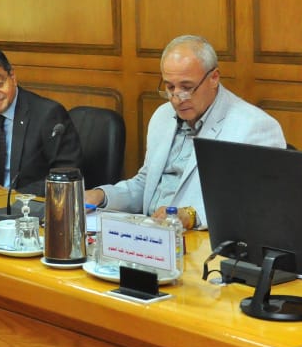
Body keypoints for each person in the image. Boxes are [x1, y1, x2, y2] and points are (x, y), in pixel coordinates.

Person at [84, 35, 286, 230]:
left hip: (200, 241)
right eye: (170, 87)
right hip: (151, 234)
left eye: (187, 87)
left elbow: (258, 207)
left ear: (214, 78)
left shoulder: (254, 127)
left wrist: (191, 216)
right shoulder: (163, 115)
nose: (177, 98)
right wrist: (102, 196)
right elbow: (146, 185)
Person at [0, 47, 81, 195]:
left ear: (13, 77)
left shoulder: (48, 115)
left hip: (26, 204)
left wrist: (14, 195)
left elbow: (66, 177)